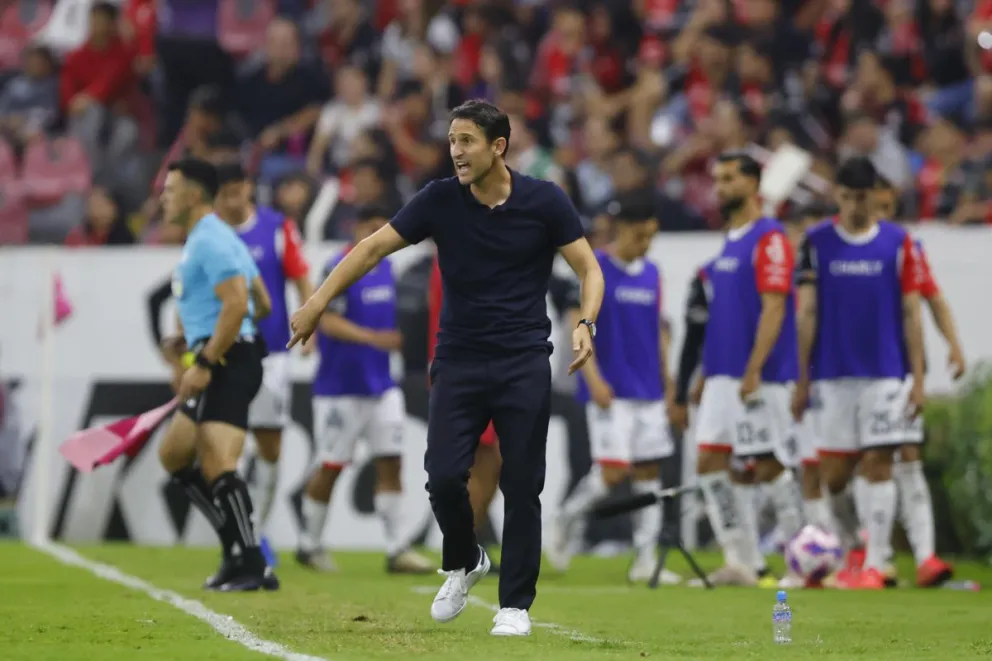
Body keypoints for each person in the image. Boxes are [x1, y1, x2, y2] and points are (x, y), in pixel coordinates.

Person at [286, 100, 604, 636]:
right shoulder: (438, 200)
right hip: (457, 359)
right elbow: (371, 250)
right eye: (452, 141)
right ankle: (465, 559)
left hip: (524, 358)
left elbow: (589, 269)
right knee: (441, 477)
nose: (454, 152)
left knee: (522, 483)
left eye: (466, 141)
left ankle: (515, 606)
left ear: (497, 147)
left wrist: (586, 324)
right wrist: (317, 301)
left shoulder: (544, 202)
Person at [792, 157, 926, 590]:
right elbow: (806, 312)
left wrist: (919, 377)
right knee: (834, 475)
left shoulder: (898, 243)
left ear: (876, 195)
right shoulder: (815, 242)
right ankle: (852, 546)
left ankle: (877, 559)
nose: (853, 205)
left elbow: (911, 312)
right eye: (846, 197)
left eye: (861, 197)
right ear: (837, 196)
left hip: (885, 372)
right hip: (832, 373)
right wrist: (802, 376)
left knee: (879, 461)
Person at [546, 190, 681, 586]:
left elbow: (658, 332)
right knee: (613, 472)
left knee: (648, 473)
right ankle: (566, 519)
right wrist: (593, 378)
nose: (647, 244)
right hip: (610, 389)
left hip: (648, 390)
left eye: (652, 236)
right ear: (623, 229)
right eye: (641, 235)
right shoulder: (595, 268)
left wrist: (669, 382)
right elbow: (576, 324)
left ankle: (644, 560)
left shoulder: (653, 274)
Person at [155, 157, 278, 591]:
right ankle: (236, 552)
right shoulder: (213, 238)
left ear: (192, 194)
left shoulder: (209, 239)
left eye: (170, 190)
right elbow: (259, 300)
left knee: (218, 462)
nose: (163, 198)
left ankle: (252, 563)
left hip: (225, 362)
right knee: (174, 455)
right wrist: (196, 341)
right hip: (224, 353)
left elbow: (239, 303)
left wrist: (205, 360)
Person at [296, 204, 434, 575]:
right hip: (340, 386)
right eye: (372, 224)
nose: (379, 233)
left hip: (382, 385)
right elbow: (327, 322)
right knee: (331, 466)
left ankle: (397, 548)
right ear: (356, 227)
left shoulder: (387, 268)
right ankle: (309, 544)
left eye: (382, 225)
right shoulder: (337, 267)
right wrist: (373, 338)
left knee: (391, 459)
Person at [691, 152, 804, 587]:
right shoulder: (732, 238)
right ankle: (742, 561)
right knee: (709, 462)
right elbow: (727, 314)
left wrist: (754, 368)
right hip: (722, 373)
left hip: (758, 374)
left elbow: (775, 307)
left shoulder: (770, 238)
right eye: (717, 179)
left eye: (729, 179)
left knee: (770, 462)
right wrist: (707, 373)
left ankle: (801, 560)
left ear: (754, 184)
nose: (719, 186)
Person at [847, 177, 958, 587]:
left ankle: (925, 558)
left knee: (906, 454)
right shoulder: (840, 246)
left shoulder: (907, 247)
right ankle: (873, 554)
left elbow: (932, 298)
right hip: (854, 371)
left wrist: (953, 344)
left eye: (889, 206)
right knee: (864, 461)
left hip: (900, 368)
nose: (883, 214)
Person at [213, 163, 315, 566]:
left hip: (272, 355)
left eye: (238, 190)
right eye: (225, 193)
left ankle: (258, 530)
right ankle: (238, 534)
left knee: (270, 446)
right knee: (227, 445)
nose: (233, 200)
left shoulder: (276, 227)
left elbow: (301, 277)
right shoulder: (211, 234)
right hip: (225, 351)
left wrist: (311, 323)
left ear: (248, 188)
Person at [426, 254, 503, 575]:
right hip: (467, 367)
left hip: (487, 365)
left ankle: (467, 546)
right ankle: (461, 552)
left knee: (494, 462)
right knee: (475, 464)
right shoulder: (454, 257)